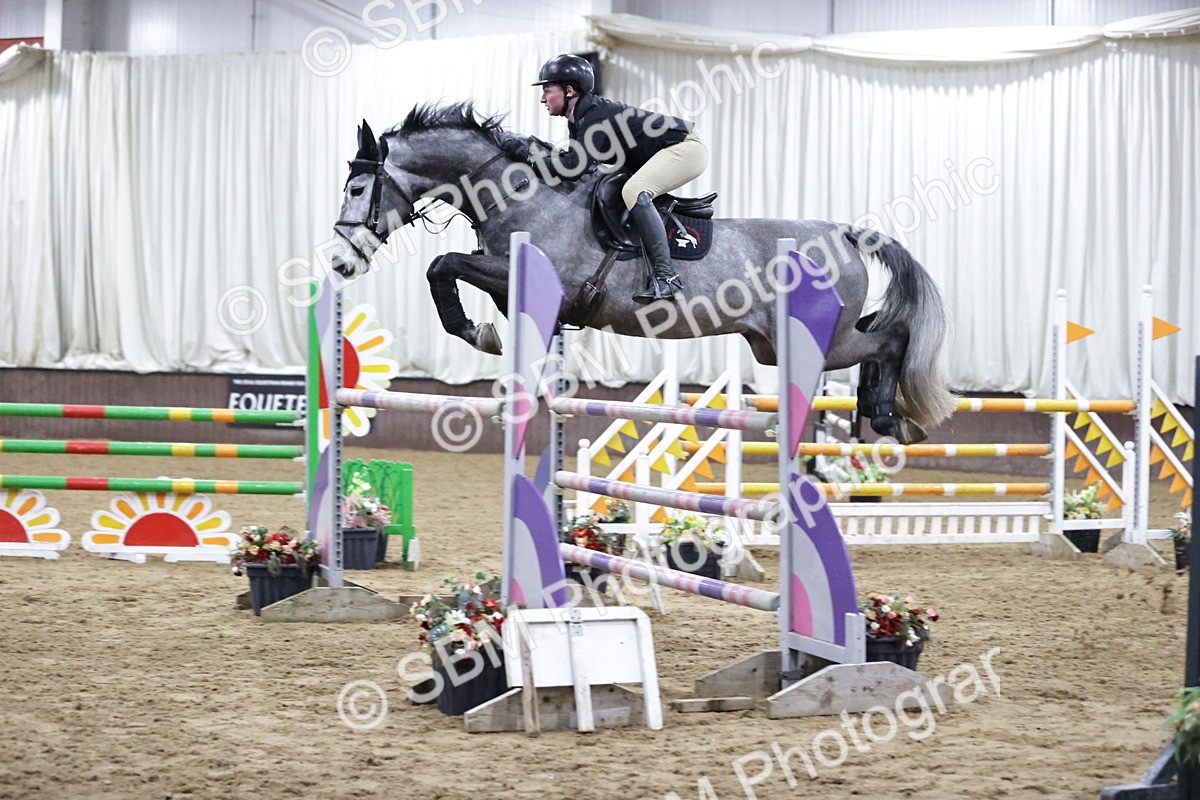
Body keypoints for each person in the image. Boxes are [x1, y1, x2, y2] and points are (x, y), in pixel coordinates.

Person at [503, 54, 709, 304]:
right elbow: (577, 164)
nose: (542, 98)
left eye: (548, 90)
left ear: (569, 91)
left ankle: (666, 278)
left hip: (686, 148)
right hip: (665, 151)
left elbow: (573, 167)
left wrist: (530, 157)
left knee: (635, 190)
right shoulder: (580, 117)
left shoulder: (593, 113)